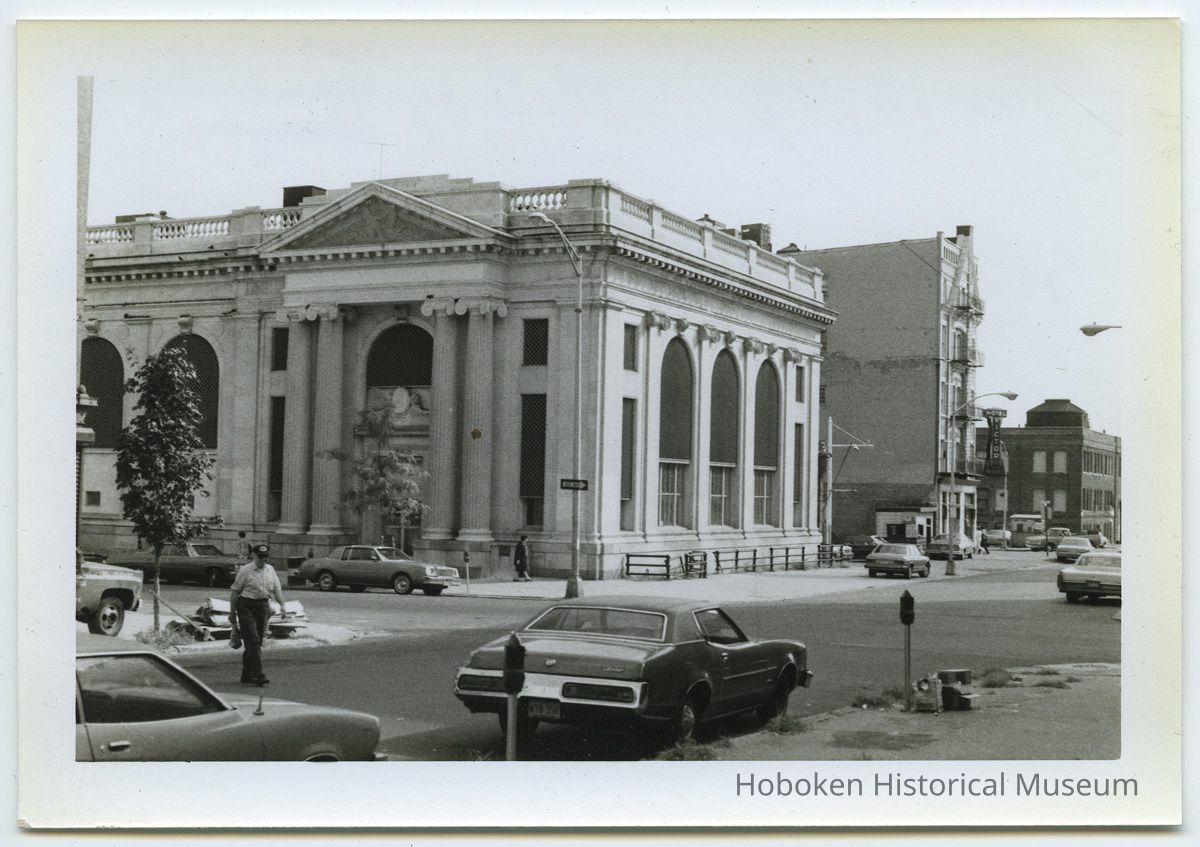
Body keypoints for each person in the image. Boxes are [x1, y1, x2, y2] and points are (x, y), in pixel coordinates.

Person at [229, 543, 285, 685]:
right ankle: (258, 674)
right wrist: (232, 613)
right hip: (246, 606)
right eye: (260, 557)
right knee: (252, 639)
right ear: (254, 555)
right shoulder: (245, 570)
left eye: (265, 557)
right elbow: (235, 592)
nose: (263, 560)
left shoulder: (270, 570)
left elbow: (277, 589)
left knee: (257, 641)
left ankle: (246, 674)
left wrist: (282, 604)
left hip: (263, 606)